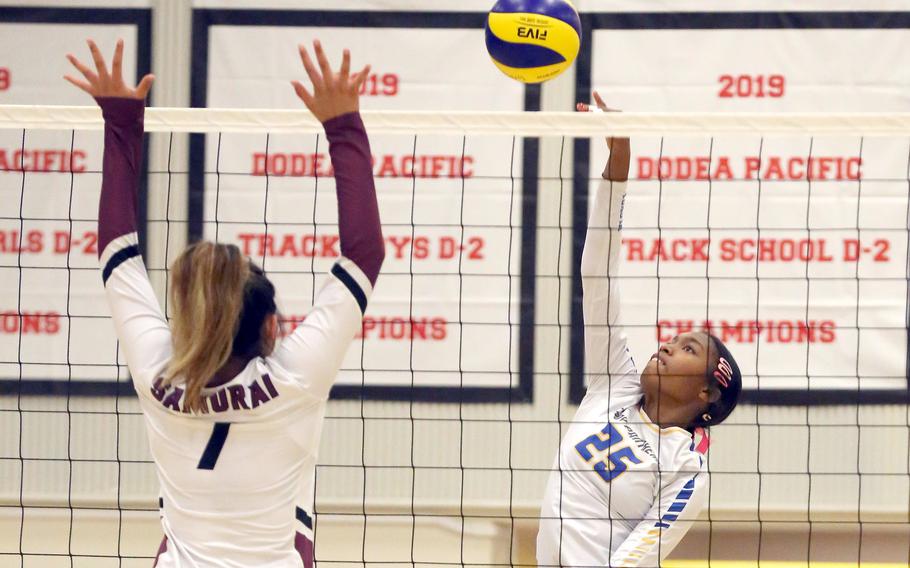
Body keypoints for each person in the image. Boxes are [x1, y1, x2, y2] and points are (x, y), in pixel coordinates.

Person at [65, 38, 384, 567]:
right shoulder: (294, 378)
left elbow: (116, 250)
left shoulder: (157, 373)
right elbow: (365, 254)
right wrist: (343, 124)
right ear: (270, 330)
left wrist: (121, 121)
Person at [536, 92, 743, 567]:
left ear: (708, 391)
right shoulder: (614, 383)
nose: (667, 345)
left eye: (688, 348)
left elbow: (636, 558)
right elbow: (597, 276)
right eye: (673, 339)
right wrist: (618, 162)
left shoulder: (685, 469)